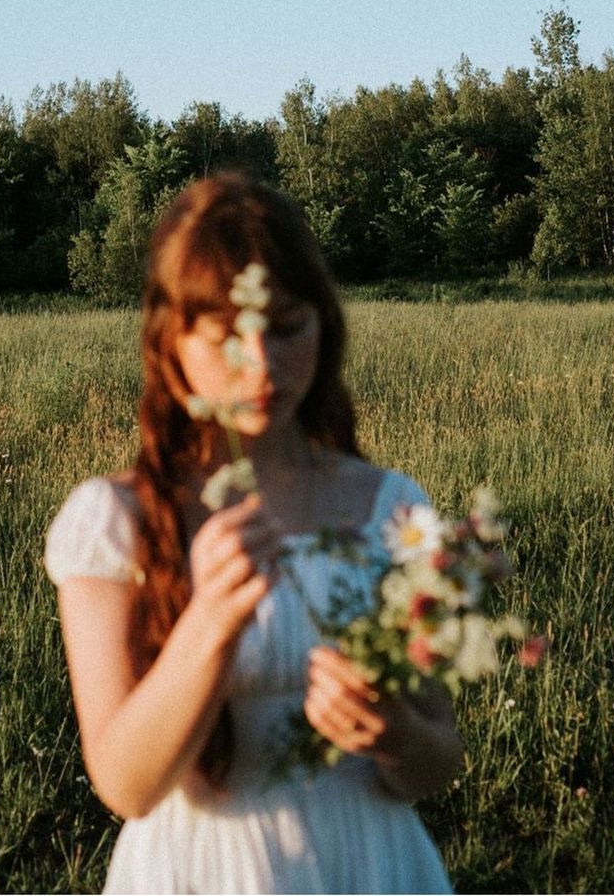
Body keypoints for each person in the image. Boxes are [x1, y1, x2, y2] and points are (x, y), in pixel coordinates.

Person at [44, 173, 462, 894]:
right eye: (224, 336)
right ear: (171, 345)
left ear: (325, 323)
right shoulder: (116, 520)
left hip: (370, 862)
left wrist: (393, 732)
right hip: (202, 869)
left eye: (287, 326)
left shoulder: (391, 507)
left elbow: (437, 762)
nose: (261, 364)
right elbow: (126, 785)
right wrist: (209, 622)